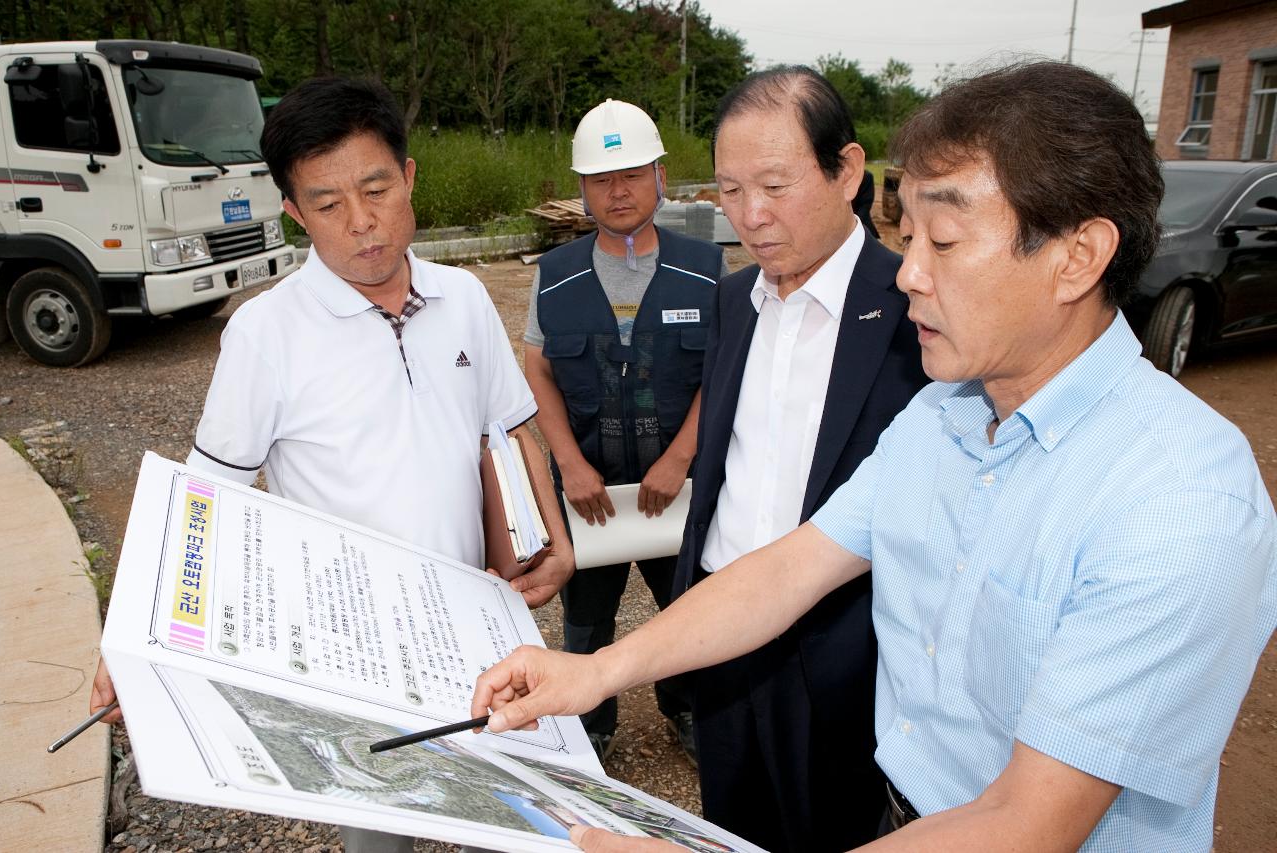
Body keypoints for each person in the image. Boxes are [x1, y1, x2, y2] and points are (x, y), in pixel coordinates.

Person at [472, 61, 1277, 853]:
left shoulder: (1180, 502)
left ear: (1078, 256)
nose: (912, 275)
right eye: (910, 236)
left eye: (947, 241)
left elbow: (1027, 823)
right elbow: (787, 569)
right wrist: (594, 671)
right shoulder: (941, 417)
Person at [90, 76, 575, 853]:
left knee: (506, 817)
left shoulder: (465, 299)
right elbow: (205, 496)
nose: (363, 223)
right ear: (293, 212)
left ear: (410, 176)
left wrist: (556, 539)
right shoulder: (265, 333)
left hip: (474, 622)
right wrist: (132, 641)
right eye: (326, 204)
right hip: (352, 647)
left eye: (377, 187)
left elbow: (513, 427)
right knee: (379, 828)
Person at [670, 67, 925, 852]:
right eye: (729, 190)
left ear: (846, 171)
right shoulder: (732, 301)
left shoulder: (915, 308)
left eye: (775, 185)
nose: (750, 216)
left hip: (841, 652)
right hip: (722, 633)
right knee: (729, 826)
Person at [524, 98, 727, 764]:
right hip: (589, 491)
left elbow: (719, 374)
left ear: (660, 176)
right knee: (586, 619)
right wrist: (570, 465)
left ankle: (690, 709)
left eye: (633, 174)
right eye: (602, 178)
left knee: (688, 610)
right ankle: (591, 725)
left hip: (679, 488)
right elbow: (539, 372)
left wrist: (681, 456)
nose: (618, 191)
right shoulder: (554, 277)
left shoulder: (706, 268)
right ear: (580, 188)